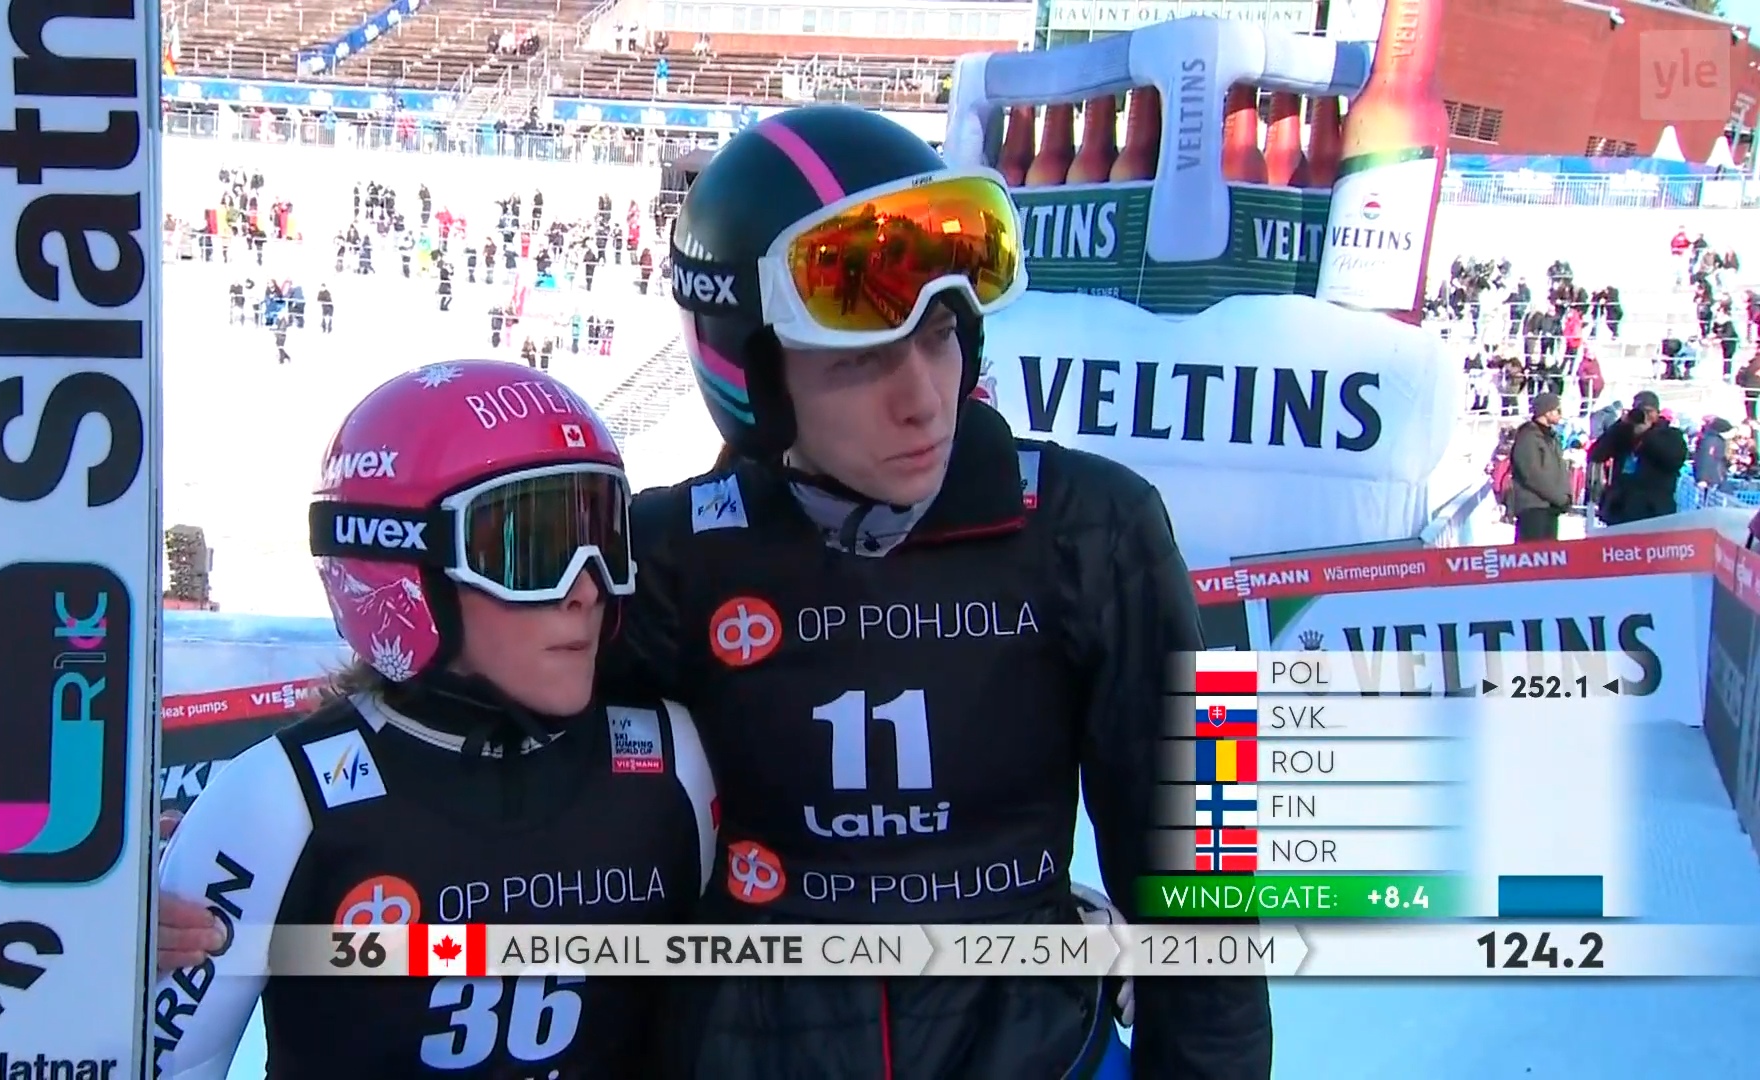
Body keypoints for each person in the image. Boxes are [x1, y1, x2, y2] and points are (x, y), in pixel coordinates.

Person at [611, 104, 1267, 1078]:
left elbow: (1208, 866)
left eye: (941, 333)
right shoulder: (669, 555)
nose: (923, 398)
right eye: (861, 358)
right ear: (755, 371)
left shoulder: (1104, 526)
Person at [150, 360, 717, 1077]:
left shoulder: (673, 761)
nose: (585, 589)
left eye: (603, 538)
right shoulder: (279, 803)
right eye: (530, 551)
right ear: (401, 561)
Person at [1589, 389, 1688, 525]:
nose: (1645, 416)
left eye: (1649, 411)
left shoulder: (1671, 435)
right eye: (1640, 411)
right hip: (1620, 509)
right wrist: (1619, 425)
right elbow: (1596, 454)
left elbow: (1674, 460)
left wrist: (1647, 434)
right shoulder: (1623, 433)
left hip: (1653, 511)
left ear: (1657, 413)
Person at [1506, 393, 1572, 542]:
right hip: (1533, 507)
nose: (1560, 414)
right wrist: (1558, 497)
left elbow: (1557, 469)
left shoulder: (1551, 437)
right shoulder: (1528, 437)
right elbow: (1532, 474)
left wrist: (1565, 496)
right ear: (1547, 412)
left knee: (1549, 553)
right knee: (1532, 551)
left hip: (1550, 506)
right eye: (1557, 410)